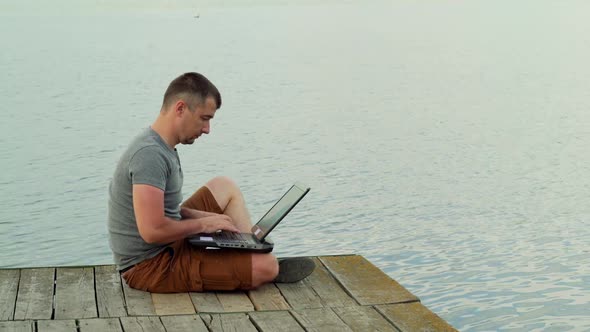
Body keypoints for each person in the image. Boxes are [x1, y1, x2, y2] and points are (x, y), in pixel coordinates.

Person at [108, 72, 315, 293]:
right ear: (180, 109)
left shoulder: (160, 146)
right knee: (268, 267)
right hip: (150, 266)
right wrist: (204, 225)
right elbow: (151, 231)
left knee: (224, 187)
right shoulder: (149, 155)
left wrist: (203, 216)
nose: (207, 130)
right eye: (204, 118)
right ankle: (258, 266)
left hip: (165, 247)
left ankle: (248, 251)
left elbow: (165, 212)